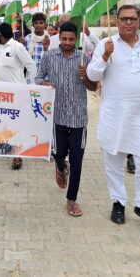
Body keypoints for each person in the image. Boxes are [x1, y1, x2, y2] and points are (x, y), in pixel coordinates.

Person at [86, 5, 140, 230]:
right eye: (123, 19)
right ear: (117, 21)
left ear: (139, 20)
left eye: (132, 18)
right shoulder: (106, 44)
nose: (128, 22)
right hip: (115, 112)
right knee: (114, 159)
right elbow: (92, 75)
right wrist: (105, 56)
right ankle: (118, 202)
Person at [36, 22, 97, 217]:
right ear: (59, 37)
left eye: (71, 39)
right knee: (59, 152)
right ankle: (61, 166)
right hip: (58, 115)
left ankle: (72, 200)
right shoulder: (49, 56)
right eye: (64, 39)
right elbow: (37, 79)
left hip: (79, 117)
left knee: (77, 159)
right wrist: (44, 83)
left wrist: (85, 77)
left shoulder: (84, 59)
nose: (68, 43)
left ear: (77, 39)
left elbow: (93, 87)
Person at [0, 22, 37, 170]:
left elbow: (31, 66)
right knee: (5, 123)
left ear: (0, 34)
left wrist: (32, 87)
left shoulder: (17, 47)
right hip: (0, 95)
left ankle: (18, 155)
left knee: (17, 124)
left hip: (17, 94)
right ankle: (8, 147)